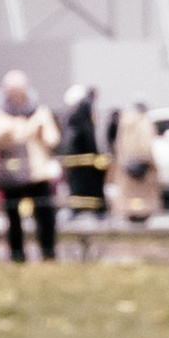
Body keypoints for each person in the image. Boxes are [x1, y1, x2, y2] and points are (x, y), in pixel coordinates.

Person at [0, 73, 61, 265]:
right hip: (11, 175)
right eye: (12, 90)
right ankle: (17, 254)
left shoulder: (40, 112)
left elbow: (53, 139)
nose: (16, 94)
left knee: (45, 216)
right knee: (13, 218)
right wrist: (17, 130)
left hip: (38, 173)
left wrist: (40, 132)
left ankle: (48, 252)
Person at [61, 84, 109, 242]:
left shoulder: (79, 113)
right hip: (86, 159)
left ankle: (90, 210)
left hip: (82, 159)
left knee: (83, 187)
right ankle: (95, 211)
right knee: (89, 187)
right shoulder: (84, 112)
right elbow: (88, 135)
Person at [110, 97, 161, 227]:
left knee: (128, 194)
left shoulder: (124, 123)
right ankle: (141, 215)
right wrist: (151, 163)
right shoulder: (144, 123)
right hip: (142, 165)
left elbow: (117, 145)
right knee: (143, 195)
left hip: (126, 165)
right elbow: (146, 146)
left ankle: (130, 213)